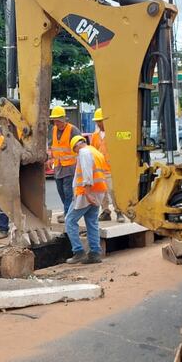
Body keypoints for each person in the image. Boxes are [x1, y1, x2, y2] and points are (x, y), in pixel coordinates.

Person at [64, 135, 107, 265]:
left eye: (75, 151)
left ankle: (78, 252)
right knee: (92, 222)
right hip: (98, 192)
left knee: (70, 220)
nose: (76, 153)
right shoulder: (95, 152)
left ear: (76, 146)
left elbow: (87, 173)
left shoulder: (84, 152)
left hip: (86, 194)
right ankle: (95, 253)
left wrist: (87, 193)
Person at [90, 108, 124, 223]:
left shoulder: (114, 134)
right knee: (101, 192)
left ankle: (119, 211)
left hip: (110, 169)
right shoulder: (95, 136)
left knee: (113, 191)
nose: (98, 124)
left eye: (100, 121)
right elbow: (92, 151)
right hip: (99, 169)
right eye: (97, 121)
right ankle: (105, 211)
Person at [49, 105, 81, 223]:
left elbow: (80, 146)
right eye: (54, 120)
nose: (56, 122)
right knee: (61, 191)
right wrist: (50, 158)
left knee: (68, 193)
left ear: (63, 119)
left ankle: (68, 214)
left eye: (58, 120)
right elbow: (53, 146)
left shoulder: (73, 130)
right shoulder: (53, 130)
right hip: (58, 166)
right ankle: (68, 211)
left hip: (70, 166)